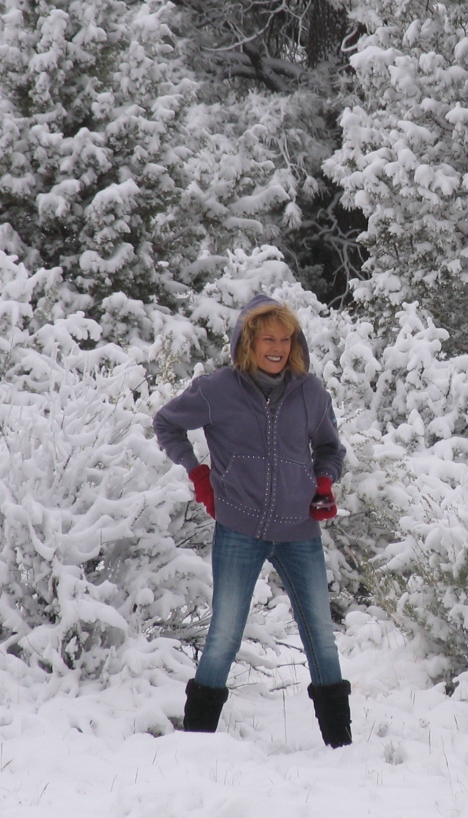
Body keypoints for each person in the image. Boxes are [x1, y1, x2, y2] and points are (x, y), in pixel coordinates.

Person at [153, 295, 351, 746]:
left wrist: (323, 483)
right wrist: (198, 473)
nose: (277, 347)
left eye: (285, 339)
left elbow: (329, 448)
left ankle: (341, 745)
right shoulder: (217, 389)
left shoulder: (311, 392)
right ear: (248, 342)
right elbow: (167, 423)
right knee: (224, 631)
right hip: (239, 526)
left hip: (298, 531)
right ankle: (197, 742)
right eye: (268, 339)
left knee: (321, 634)